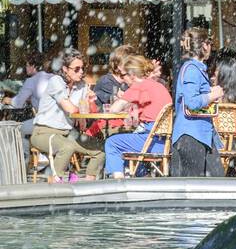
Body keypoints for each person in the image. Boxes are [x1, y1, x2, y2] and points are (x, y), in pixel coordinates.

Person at [30, 50, 105, 181]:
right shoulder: (56, 81)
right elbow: (70, 108)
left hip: (68, 133)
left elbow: (87, 116)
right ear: (65, 69)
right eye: (77, 69)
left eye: (83, 68)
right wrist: (82, 112)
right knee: (67, 147)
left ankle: (89, 187)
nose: (81, 72)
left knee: (100, 149)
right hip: (43, 132)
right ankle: (55, 183)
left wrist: (91, 101)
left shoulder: (82, 86)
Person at [103, 54, 172, 179]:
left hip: (151, 142)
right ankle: (144, 178)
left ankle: (118, 182)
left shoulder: (138, 86)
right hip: (164, 141)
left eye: (123, 75)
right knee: (128, 141)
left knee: (112, 143)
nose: (123, 79)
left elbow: (113, 109)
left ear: (132, 75)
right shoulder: (158, 85)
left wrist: (122, 99)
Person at [170, 27, 224, 177]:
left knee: (217, 179)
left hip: (201, 135)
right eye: (209, 44)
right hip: (191, 136)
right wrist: (213, 95)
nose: (211, 48)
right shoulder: (192, 69)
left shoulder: (196, 69)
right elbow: (192, 102)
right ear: (204, 46)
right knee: (193, 188)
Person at [94, 45, 134, 111]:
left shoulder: (129, 81)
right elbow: (118, 102)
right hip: (104, 118)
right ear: (119, 65)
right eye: (130, 64)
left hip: (123, 118)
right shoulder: (106, 81)